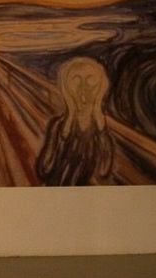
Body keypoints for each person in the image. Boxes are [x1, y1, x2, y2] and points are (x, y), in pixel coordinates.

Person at [35, 57, 114, 186]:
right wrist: (63, 135)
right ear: (67, 88)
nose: (83, 88)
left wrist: (101, 128)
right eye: (76, 80)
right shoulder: (57, 126)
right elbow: (44, 170)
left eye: (90, 80)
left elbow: (103, 172)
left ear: (100, 88)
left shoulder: (101, 132)